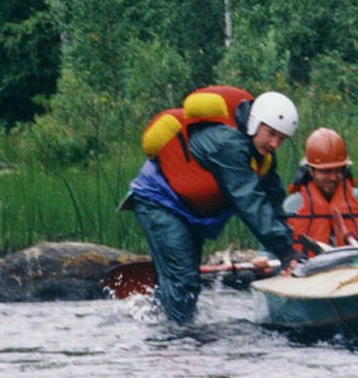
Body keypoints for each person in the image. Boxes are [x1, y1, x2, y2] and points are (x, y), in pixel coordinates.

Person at [123, 86, 306, 323]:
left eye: (281, 138)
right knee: (184, 281)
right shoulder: (228, 144)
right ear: (254, 122)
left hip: (187, 211)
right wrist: (283, 249)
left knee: (185, 283)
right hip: (159, 200)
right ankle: (176, 342)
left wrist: (289, 243)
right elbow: (249, 200)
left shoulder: (261, 152)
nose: (274, 143)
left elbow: (273, 199)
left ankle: (159, 326)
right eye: (270, 133)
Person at [284, 127, 358, 254]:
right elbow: (272, 247)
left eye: (338, 170)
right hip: (308, 270)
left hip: (355, 267)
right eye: (326, 171)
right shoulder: (291, 206)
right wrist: (263, 260)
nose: (333, 177)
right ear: (311, 171)